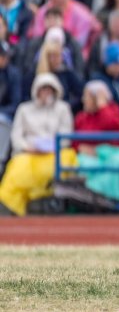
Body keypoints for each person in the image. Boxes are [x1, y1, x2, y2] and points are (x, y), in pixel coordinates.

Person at [0, 73, 75, 216]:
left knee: (65, 161)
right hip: (29, 153)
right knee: (17, 166)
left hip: (54, 154)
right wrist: (28, 147)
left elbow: (66, 136)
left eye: (49, 89)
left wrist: (52, 147)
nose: (46, 93)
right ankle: (11, 207)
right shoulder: (24, 109)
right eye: (43, 89)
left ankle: (47, 201)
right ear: (36, 90)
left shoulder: (63, 109)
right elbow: (16, 136)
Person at [73, 81, 119, 203]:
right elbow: (74, 141)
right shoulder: (81, 117)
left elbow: (114, 125)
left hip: (111, 153)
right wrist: (81, 148)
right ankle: (88, 200)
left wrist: (103, 106)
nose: (84, 100)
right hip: (89, 156)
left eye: (87, 96)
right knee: (80, 162)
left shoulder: (113, 111)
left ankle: (115, 201)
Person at [0, 42, 23, 163]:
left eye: (5, 56)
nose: (4, 59)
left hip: (7, 117)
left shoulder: (13, 74)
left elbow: (15, 104)